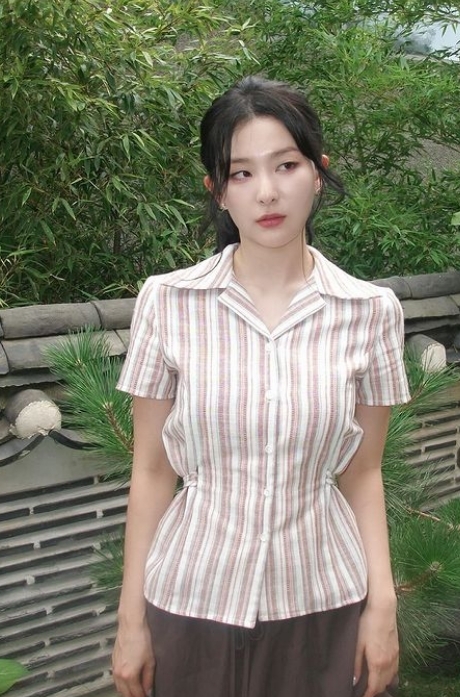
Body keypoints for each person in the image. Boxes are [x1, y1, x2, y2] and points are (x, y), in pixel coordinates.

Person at [112, 75, 411, 697]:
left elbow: (362, 473)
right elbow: (152, 471)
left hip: (323, 605)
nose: (267, 192)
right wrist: (130, 621)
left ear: (318, 172)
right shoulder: (167, 302)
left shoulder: (370, 311)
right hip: (191, 604)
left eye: (286, 165)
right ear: (217, 191)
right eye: (241, 173)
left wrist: (382, 605)